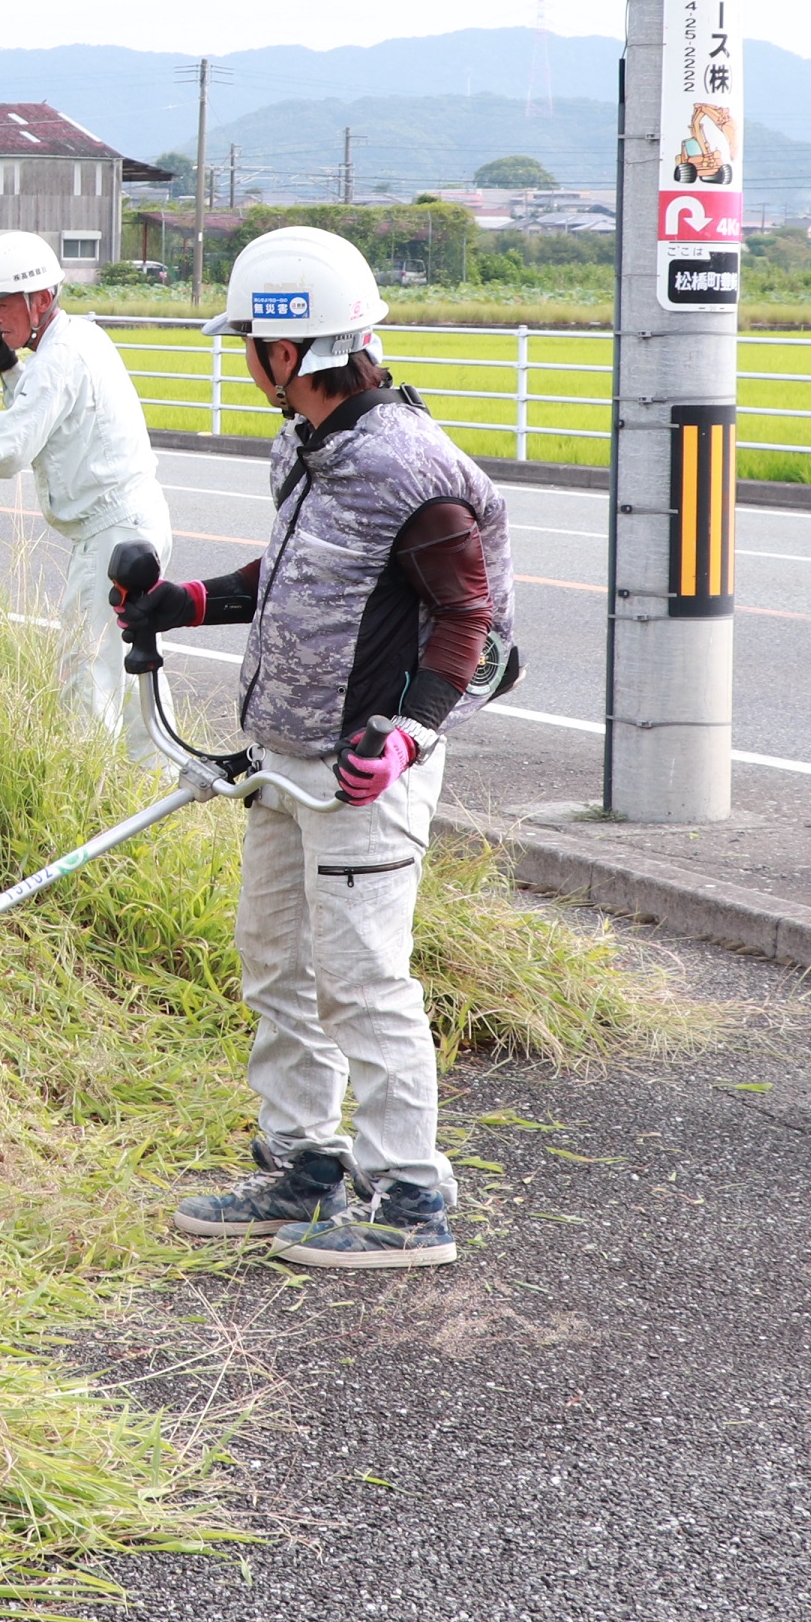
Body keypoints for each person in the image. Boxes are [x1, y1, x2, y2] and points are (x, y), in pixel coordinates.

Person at [124, 225, 518, 1272]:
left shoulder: (411, 468)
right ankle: (304, 1161)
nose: (243, 359)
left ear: (288, 353)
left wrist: (410, 735)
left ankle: (409, 1197)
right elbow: (303, 573)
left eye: (248, 342)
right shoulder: (306, 445)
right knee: (278, 967)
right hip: (284, 756)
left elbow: (466, 616)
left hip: (363, 772)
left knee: (363, 981)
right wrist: (187, 602)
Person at [0, 231, 172, 750]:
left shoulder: (58, 359)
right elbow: (39, 413)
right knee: (136, 664)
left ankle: (90, 792)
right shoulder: (79, 340)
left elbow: (10, 449)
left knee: (87, 667)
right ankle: (154, 784)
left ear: (40, 300)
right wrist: (7, 367)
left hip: (110, 534)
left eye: (2, 305)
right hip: (137, 521)